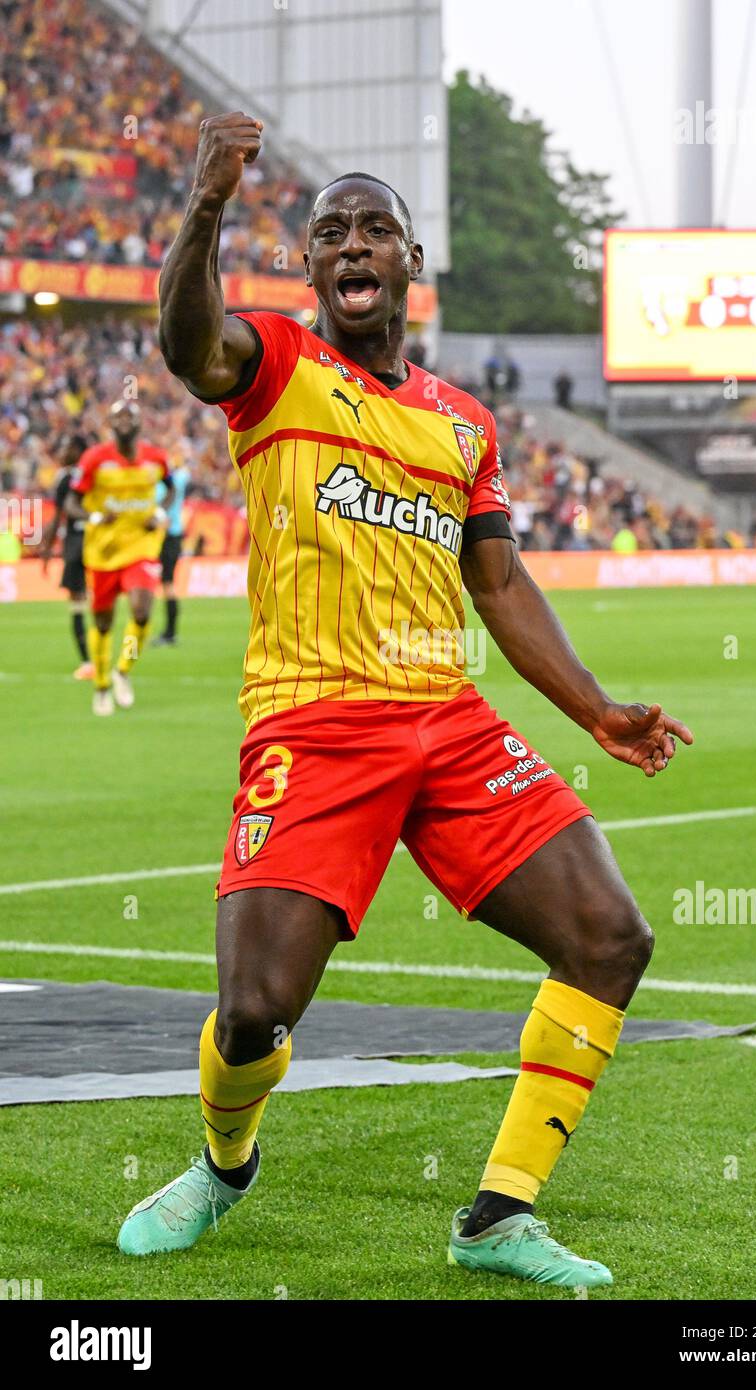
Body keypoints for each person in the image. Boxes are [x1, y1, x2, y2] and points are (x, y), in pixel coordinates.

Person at [117, 113, 692, 1289]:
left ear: (411, 264)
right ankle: (225, 1164)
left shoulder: (463, 423)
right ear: (316, 271)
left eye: (379, 227)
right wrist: (206, 205)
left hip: (449, 722)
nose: (355, 243)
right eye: (332, 231)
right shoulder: (274, 362)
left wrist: (593, 711)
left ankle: (496, 1215)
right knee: (252, 1016)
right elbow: (188, 345)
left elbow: (499, 579)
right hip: (314, 722)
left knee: (610, 938)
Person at [66, 401, 173, 716]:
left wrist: (161, 511)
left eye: (130, 416)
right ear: (110, 424)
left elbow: (170, 489)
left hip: (141, 546)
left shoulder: (156, 458)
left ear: (140, 423)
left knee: (141, 611)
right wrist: (97, 516)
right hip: (104, 552)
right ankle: (101, 684)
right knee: (103, 622)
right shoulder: (95, 459)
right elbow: (73, 502)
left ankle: (123, 669)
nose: (125, 421)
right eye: (119, 417)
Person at [39, 432, 94, 680]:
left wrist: (48, 551)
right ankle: (99, 658)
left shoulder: (67, 479)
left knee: (77, 602)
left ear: (78, 451)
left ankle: (87, 661)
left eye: (67, 447)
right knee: (97, 602)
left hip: (76, 544)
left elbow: (60, 514)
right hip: (97, 542)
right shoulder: (97, 475)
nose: (62, 453)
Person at [151, 460, 190, 646]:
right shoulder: (178, 480)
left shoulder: (160, 487)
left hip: (166, 536)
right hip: (173, 535)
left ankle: (170, 633)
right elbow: (184, 471)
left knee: (167, 584)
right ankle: (170, 632)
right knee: (167, 583)